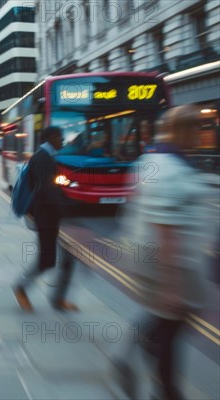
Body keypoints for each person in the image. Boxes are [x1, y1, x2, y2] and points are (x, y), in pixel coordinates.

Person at [115, 105, 212, 400]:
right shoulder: (173, 170)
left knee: (166, 320)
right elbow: (166, 227)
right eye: (199, 129)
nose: (202, 134)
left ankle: (131, 359)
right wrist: (172, 284)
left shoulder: (151, 160)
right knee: (172, 325)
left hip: (147, 255)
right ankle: (167, 390)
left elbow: (135, 200)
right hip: (171, 262)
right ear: (187, 131)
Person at [13, 126, 78, 312]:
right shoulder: (42, 158)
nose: (62, 141)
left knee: (66, 258)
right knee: (48, 260)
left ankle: (58, 298)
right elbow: (46, 190)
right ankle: (21, 288)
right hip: (46, 217)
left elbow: (52, 186)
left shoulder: (46, 157)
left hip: (50, 216)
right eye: (60, 137)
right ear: (51, 137)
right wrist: (66, 212)